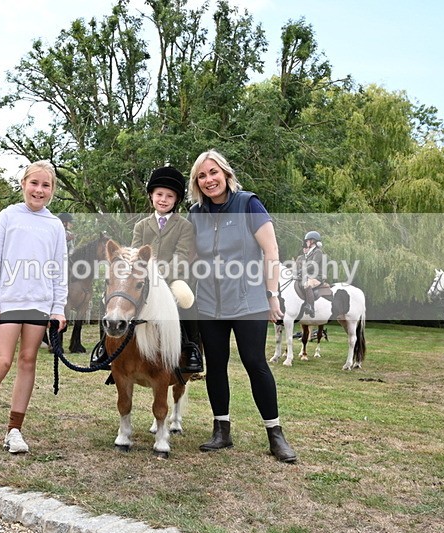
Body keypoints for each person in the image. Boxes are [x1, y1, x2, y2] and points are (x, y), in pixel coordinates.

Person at [187, 149, 297, 463]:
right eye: (202, 176)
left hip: (249, 300)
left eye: (213, 172)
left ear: (226, 173)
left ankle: (275, 434)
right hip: (209, 303)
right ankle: (221, 430)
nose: (209, 180)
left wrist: (272, 294)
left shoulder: (249, 204)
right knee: (215, 365)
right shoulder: (196, 213)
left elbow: (271, 251)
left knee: (254, 362)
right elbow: (190, 257)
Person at [0, 160, 68, 455]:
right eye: (34, 183)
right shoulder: (8, 216)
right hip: (8, 301)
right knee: (2, 361)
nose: (39, 190)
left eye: (46, 185)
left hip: (39, 303)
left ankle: (14, 431)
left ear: (52, 190)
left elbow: (59, 269)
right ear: (23, 184)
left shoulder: (54, 225)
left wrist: (58, 307)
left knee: (28, 361)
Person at [131, 165, 203, 374]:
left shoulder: (184, 226)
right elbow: (135, 255)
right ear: (151, 195)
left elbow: (181, 257)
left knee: (186, 297)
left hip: (173, 278)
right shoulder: (141, 226)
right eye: (159, 194)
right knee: (115, 295)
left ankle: (192, 348)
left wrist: (158, 275)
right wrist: (145, 275)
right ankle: (106, 348)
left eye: (169, 196)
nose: (163, 199)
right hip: (143, 277)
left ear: (176, 200)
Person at [295, 230, 325, 318]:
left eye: (307, 241)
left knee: (307, 285)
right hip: (309, 276)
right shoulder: (310, 252)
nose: (306, 242)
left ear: (312, 241)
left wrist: (302, 271)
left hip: (317, 277)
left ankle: (311, 307)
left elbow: (313, 265)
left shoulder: (318, 252)